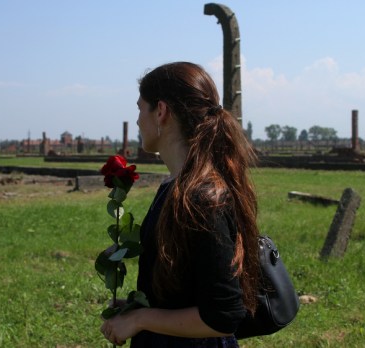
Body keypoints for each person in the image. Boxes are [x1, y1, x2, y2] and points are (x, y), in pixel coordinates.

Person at [100, 62, 261, 347]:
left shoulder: (202, 199)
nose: (138, 120)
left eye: (141, 108)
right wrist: (138, 309)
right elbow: (186, 290)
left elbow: (222, 316)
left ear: (161, 111)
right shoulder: (176, 187)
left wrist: (140, 320)